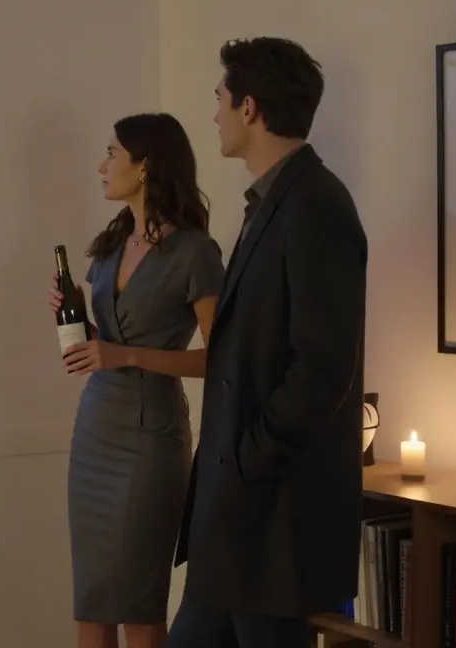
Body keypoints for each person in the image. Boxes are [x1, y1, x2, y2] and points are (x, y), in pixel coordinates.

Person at [167, 38, 368, 647]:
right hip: (235, 522)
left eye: (220, 100)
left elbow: (322, 367)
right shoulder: (275, 200)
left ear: (249, 107)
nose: (215, 116)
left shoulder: (317, 204)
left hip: (274, 525)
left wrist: (247, 462)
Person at [48, 112, 226, 648]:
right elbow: (108, 343)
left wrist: (122, 353)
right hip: (96, 431)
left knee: (140, 607)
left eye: (112, 154)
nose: (101, 166)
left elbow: (222, 360)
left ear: (145, 166)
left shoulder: (194, 251)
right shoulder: (112, 243)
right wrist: (81, 328)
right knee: (93, 603)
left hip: (150, 440)